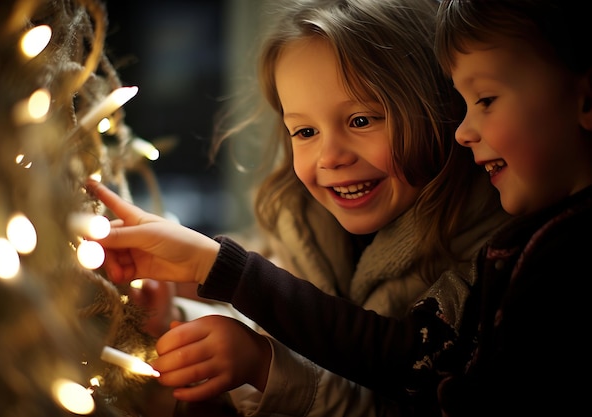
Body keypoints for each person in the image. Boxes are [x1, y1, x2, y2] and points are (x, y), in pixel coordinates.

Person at [89, 0, 592, 415]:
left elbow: (398, 384)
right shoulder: (302, 224)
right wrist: (174, 314)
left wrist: (263, 364)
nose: (330, 156)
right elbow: (273, 309)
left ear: (438, 110)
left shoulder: (492, 257)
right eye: (305, 132)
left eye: (362, 119)